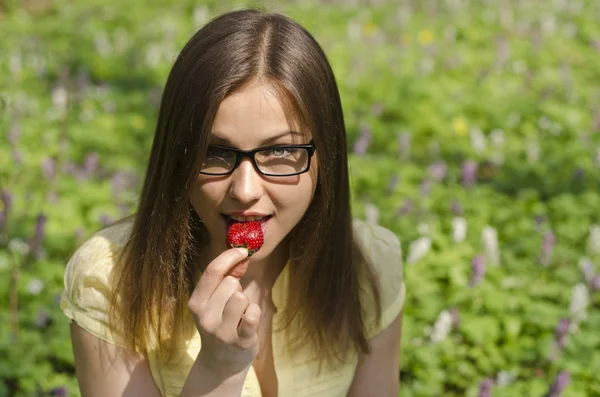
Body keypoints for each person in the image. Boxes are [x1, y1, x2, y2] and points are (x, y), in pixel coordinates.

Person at [60, 8, 406, 397]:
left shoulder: (369, 268)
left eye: (279, 152)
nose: (244, 190)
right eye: (215, 152)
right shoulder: (110, 282)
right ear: (177, 156)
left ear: (325, 155)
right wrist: (218, 370)